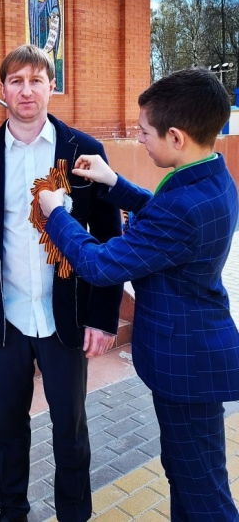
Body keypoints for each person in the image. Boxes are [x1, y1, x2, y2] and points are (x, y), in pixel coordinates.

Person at [38, 68, 239, 521]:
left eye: (144, 132)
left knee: (204, 490)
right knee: (188, 473)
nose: (141, 140)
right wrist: (114, 183)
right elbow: (162, 214)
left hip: (185, 365)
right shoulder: (210, 178)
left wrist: (55, 213)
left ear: (175, 136)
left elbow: (100, 264)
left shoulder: (187, 204)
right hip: (196, 357)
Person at [0, 44, 123, 522]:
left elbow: (112, 240)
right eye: (15, 81)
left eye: (36, 80)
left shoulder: (85, 152)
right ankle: (12, 512)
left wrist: (103, 317)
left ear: (52, 85)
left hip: (66, 316)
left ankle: (73, 513)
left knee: (70, 427)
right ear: (3, 88)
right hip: (6, 318)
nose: (26, 90)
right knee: (8, 426)